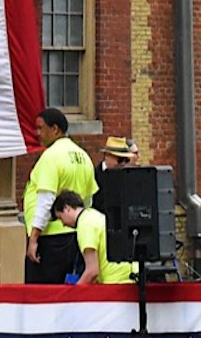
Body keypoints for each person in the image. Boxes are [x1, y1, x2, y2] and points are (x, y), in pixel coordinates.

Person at [23, 107, 96, 284]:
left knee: (42, 297)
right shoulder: (84, 156)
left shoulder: (51, 157)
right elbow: (88, 201)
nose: (37, 133)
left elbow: (45, 201)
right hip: (74, 236)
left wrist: (33, 239)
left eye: (41, 128)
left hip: (49, 238)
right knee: (66, 292)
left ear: (55, 129)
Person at [56, 190, 135, 284]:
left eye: (61, 218)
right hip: (131, 275)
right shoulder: (95, 215)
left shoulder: (85, 224)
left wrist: (74, 295)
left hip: (115, 282)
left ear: (67, 208)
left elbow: (92, 271)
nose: (63, 224)